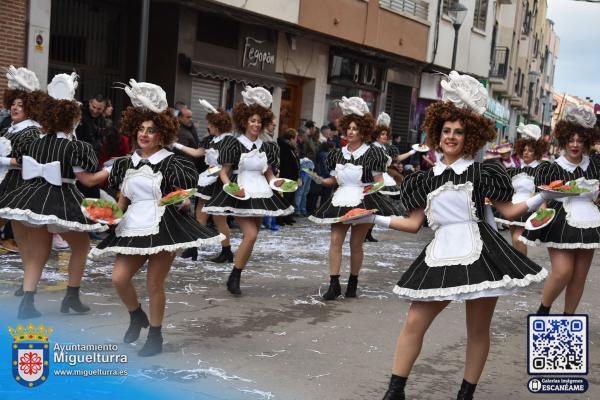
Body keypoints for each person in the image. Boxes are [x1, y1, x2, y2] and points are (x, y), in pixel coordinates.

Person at [354, 72, 549, 400]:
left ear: (469, 136)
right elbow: (413, 224)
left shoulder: (485, 171)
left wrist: (544, 196)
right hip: (440, 253)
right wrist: (372, 216)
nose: (451, 137)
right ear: (436, 133)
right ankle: (395, 391)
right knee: (414, 321)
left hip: (483, 253)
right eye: (446, 131)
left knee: (477, 330)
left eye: (459, 132)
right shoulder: (423, 179)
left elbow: (510, 212)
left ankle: (465, 394)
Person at [86, 79, 223, 356]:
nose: (144, 134)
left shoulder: (174, 161)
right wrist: (111, 215)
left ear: (162, 135)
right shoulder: (125, 162)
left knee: (153, 283)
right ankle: (136, 315)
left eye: (151, 130)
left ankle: (156, 336)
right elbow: (122, 201)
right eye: (141, 129)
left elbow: (184, 193)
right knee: (118, 278)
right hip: (133, 226)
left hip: (164, 226)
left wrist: (183, 200)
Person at [0, 72, 109, 319]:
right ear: (72, 118)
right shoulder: (75, 146)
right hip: (61, 198)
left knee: (37, 252)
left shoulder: (34, 142)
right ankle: (71, 296)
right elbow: (88, 180)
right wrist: (111, 169)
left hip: (31, 197)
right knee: (81, 246)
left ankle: (27, 302)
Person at [203, 86, 293, 296]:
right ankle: (235, 275)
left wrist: (277, 182)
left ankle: (237, 274)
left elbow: (269, 174)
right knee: (250, 235)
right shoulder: (234, 144)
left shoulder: (269, 147)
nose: (256, 124)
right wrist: (230, 187)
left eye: (259, 121)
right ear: (244, 122)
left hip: (261, 194)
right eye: (252, 121)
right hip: (240, 193)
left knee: (252, 237)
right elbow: (224, 172)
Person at [309, 96, 399, 300]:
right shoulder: (336, 154)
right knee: (335, 240)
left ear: (363, 131)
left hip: (363, 201)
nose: (350, 132)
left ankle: (353, 282)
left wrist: (371, 189)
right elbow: (333, 180)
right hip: (340, 200)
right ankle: (334, 284)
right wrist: (319, 180)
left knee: (356, 244)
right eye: (348, 128)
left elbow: (379, 180)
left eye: (355, 128)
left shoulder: (373, 153)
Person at [519, 105, 600, 315]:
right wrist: (542, 214)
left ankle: (567, 320)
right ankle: (543, 311)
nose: (575, 145)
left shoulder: (595, 165)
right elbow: (543, 195)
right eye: (571, 140)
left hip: (589, 220)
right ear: (563, 140)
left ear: (586, 141)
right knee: (563, 272)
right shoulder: (551, 167)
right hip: (560, 220)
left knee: (580, 276)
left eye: (580, 140)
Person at [174, 99, 237, 262]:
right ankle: (194, 248)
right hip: (208, 178)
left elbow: (227, 167)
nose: (207, 126)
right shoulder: (209, 139)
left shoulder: (230, 141)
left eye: (210, 123)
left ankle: (227, 251)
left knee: (219, 219)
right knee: (200, 215)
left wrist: (225, 183)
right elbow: (197, 153)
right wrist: (176, 145)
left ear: (218, 124)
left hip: (219, 182)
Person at [494, 123, 549, 255]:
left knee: (518, 239)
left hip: (529, 208)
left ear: (537, 152)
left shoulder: (541, 169)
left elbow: (543, 192)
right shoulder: (516, 169)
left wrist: (543, 213)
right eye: (524, 150)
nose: (526, 153)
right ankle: (520, 269)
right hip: (513, 208)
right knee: (515, 241)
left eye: (530, 150)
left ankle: (524, 269)